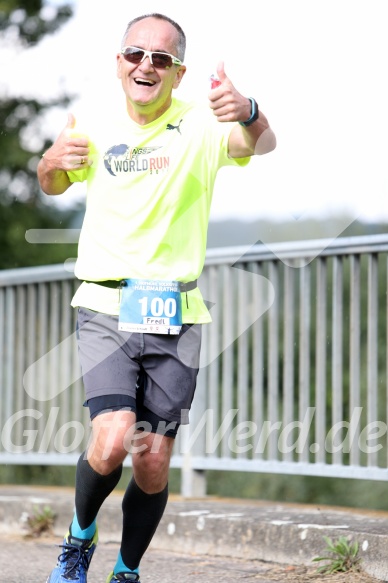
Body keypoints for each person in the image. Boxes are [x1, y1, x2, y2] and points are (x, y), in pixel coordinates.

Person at [37, 12, 276, 583]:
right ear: (119, 62)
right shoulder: (90, 121)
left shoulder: (202, 123)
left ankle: (127, 568)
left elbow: (262, 143)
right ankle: (80, 535)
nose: (146, 65)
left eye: (161, 59)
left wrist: (246, 110)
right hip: (104, 303)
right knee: (114, 437)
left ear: (179, 72)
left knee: (151, 459)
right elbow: (50, 181)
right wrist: (50, 164)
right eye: (135, 55)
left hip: (174, 308)